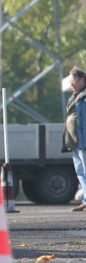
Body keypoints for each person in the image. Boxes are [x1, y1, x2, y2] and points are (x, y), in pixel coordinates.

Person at [64, 66, 86, 211]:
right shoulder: (74, 97)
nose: (71, 83)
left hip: (84, 142)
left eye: (74, 80)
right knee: (80, 172)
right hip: (75, 142)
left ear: (82, 80)